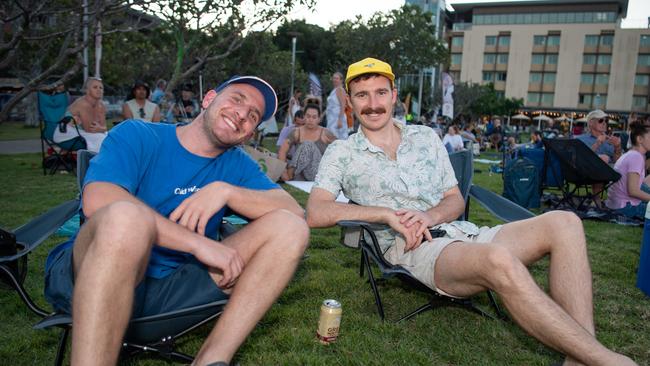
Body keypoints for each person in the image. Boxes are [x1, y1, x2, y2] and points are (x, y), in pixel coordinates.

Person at [306, 57, 637, 366]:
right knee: (497, 259)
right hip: (412, 249)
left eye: (380, 92)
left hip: (461, 233)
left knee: (565, 222)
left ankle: (582, 355)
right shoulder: (342, 152)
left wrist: (431, 216)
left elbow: (454, 200)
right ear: (349, 102)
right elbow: (316, 212)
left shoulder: (425, 137)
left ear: (394, 96)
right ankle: (607, 360)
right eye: (362, 95)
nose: (373, 103)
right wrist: (385, 214)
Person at [43, 75, 309, 365]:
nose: (242, 114)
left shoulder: (236, 164)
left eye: (253, 115)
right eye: (237, 99)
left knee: (290, 228)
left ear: (248, 134)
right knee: (125, 218)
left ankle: (210, 359)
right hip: (94, 276)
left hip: (175, 290)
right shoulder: (139, 134)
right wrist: (196, 243)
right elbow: (98, 199)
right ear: (208, 99)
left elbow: (294, 213)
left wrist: (226, 191)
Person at [278, 103, 335, 181]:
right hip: (299, 173)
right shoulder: (296, 132)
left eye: (314, 117)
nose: (310, 120)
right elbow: (282, 150)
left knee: (308, 144)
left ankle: (290, 175)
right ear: (304, 116)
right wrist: (283, 171)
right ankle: (289, 175)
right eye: (308, 116)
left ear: (319, 119)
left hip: (318, 173)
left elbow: (341, 149)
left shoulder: (326, 133)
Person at [577, 109, 622, 207]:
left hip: (609, 172)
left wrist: (617, 147)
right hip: (583, 172)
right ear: (591, 123)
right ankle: (596, 198)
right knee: (603, 158)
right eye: (601, 120)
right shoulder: (580, 139)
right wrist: (597, 143)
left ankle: (620, 200)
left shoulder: (609, 141)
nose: (604, 123)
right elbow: (580, 158)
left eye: (606, 121)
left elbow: (618, 161)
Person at [606, 121, 650, 219]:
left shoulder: (630, 154)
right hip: (625, 207)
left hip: (615, 204)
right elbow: (633, 191)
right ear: (640, 139)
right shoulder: (636, 157)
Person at [54, 77, 107, 153]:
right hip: (66, 133)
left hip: (82, 131)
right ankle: (96, 162)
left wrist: (100, 128)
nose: (99, 90)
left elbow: (104, 127)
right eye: (95, 87)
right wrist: (100, 128)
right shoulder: (83, 104)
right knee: (101, 138)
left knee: (111, 137)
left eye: (101, 88)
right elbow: (89, 129)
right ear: (87, 91)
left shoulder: (101, 106)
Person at [325, 71, 348, 139]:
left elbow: (343, 105)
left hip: (337, 118)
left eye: (337, 78)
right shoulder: (334, 90)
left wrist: (340, 120)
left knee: (335, 138)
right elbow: (330, 106)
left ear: (341, 80)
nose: (334, 80)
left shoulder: (339, 89)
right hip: (331, 118)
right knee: (331, 137)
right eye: (334, 78)